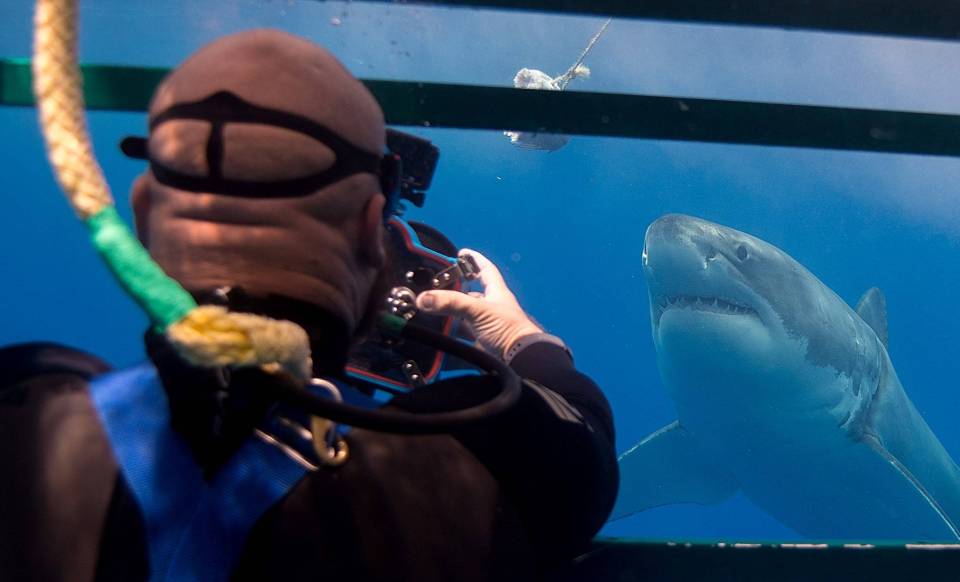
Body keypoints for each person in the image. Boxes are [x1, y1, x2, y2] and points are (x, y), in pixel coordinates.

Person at [0, 29, 617, 582]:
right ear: (374, 228)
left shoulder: (28, 416)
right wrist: (520, 340)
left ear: (141, 216)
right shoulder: (481, 460)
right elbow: (581, 429)